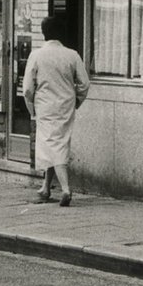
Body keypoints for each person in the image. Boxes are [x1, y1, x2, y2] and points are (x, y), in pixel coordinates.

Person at [22, 15, 90, 207]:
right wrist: (76, 100)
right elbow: (84, 84)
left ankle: (66, 189)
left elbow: (27, 88)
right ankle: (45, 187)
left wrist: (31, 107)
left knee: (52, 145)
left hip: (45, 106)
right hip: (66, 106)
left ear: (44, 34)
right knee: (58, 143)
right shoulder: (72, 55)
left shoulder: (36, 56)